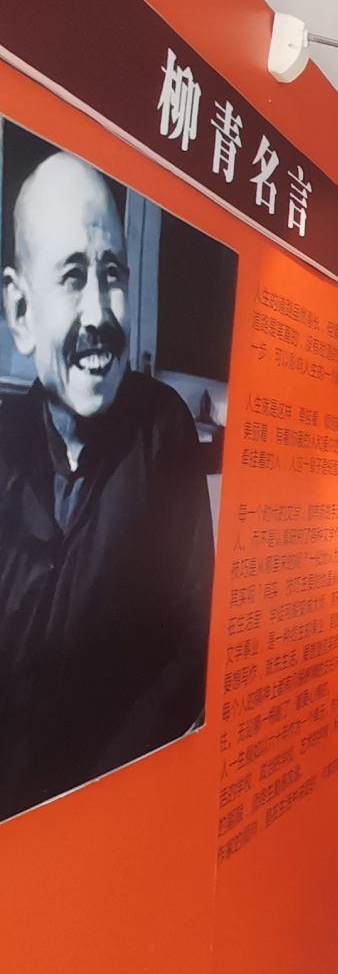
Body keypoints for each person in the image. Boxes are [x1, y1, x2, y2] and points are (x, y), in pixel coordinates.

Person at [0, 152, 213, 823]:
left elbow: (193, 642)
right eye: (72, 277)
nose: (99, 313)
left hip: (115, 810)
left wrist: (94, 801)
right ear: (21, 311)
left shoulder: (161, 431)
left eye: (113, 273)